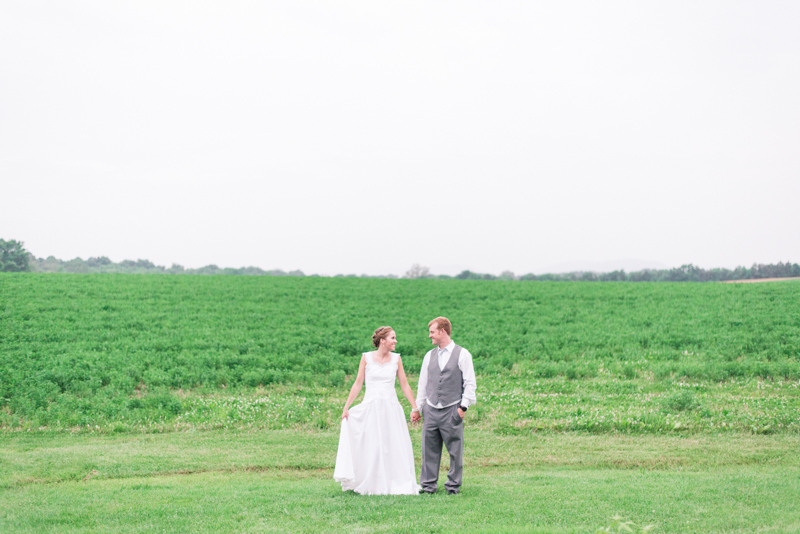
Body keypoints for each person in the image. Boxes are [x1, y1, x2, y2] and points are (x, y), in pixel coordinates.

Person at [333, 326, 422, 495]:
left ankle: (394, 480)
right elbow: (358, 383)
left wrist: (415, 407)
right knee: (372, 444)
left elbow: (404, 384)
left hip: (390, 408)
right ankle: (370, 480)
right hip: (371, 407)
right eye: (393, 338)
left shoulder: (396, 359)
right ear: (383, 341)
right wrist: (346, 407)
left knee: (392, 444)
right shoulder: (366, 358)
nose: (396, 341)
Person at [411, 317, 477, 495]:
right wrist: (418, 408)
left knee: (455, 450)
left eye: (432, 332)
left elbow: (470, 384)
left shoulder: (463, 354)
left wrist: (462, 408)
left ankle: (453, 486)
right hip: (431, 409)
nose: (429, 335)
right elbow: (422, 385)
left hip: (452, 409)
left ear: (442, 331)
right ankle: (428, 485)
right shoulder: (428, 356)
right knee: (429, 449)